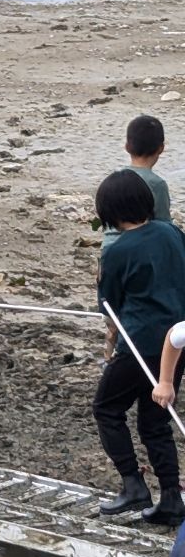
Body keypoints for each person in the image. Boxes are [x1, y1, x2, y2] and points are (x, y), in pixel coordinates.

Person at [94, 169, 185, 526]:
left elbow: (108, 306)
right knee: (155, 420)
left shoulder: (117, 251)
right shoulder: (172, 232)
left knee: (106, 409)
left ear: (110, 212)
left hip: (141, 344)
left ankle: (133, 484)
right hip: (178, 341)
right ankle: (171, 500)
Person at [101, 115, 172, 251]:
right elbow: (165, 225)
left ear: (127, 147)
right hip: (138, 251)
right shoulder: (157, 184)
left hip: (109, 248)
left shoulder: (114, 181)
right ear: (161, 148)